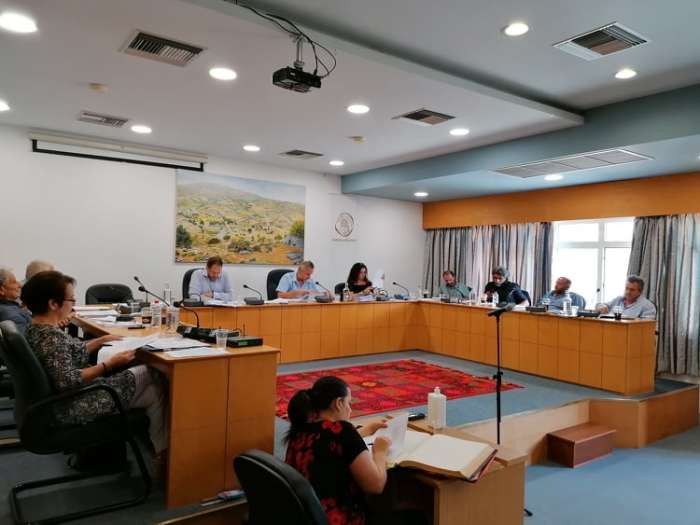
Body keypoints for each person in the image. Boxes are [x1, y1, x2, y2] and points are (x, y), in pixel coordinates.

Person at [21, 271, 168, 459]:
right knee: (150, 372)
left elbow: (72, 351)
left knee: (154, 393)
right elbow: (67, 381)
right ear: (53, 304)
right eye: (71, 300)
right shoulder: (50, 338)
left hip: (62, 401)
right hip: (70, 406)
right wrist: (109, 365)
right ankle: (163, 454)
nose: (74, 305)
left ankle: (161, 455)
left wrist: (101, 340)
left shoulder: (36, 329)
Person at [285, 376, 424, 525]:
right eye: (348, 403)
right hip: (339, 519)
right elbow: (376, 485)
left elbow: (328, 441)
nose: (350, 410)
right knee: (415, 517)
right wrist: (380, 452)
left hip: (305, 518)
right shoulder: (344, 430)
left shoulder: (301, 428)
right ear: (339, 403)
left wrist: (364, 431)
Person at [0, 268, 32, 334]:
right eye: (14, 282)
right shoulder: (8, 313)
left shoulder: (10, 308)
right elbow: (27, 337)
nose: (20, 285)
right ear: (1, 290)